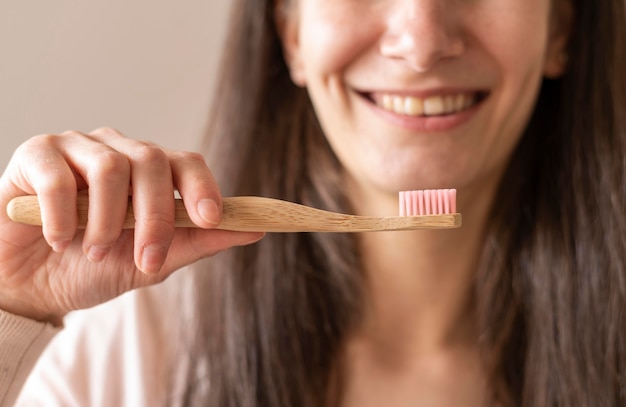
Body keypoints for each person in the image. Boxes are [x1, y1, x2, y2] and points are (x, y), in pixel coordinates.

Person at [1, 0, 625, 405]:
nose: (422, 39)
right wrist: (12, 304)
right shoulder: (123, 366)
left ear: (562, 27)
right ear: (289, 29)